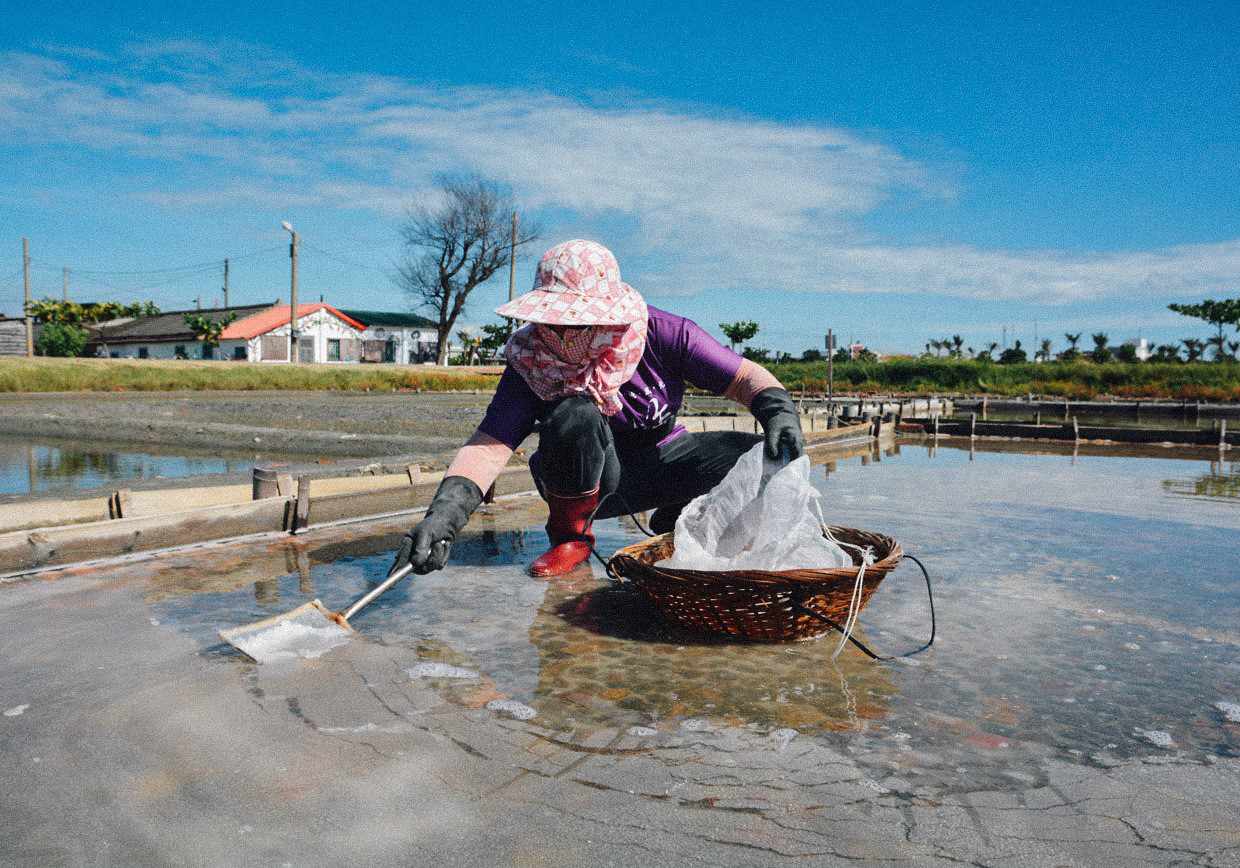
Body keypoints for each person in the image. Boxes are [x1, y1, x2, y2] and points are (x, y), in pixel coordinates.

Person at [389, 239, 804, 579]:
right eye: (554, 324)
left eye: (579, 324)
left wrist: (778, 411)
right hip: (582, 477)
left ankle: (680, 523)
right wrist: (444, 516)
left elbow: (743, 378)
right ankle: (571, 539)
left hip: (663, 456)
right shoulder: (532, 359)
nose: (563, 337)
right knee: (575, 412)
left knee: (755, 455)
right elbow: (490, 443)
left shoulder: (663, 332)